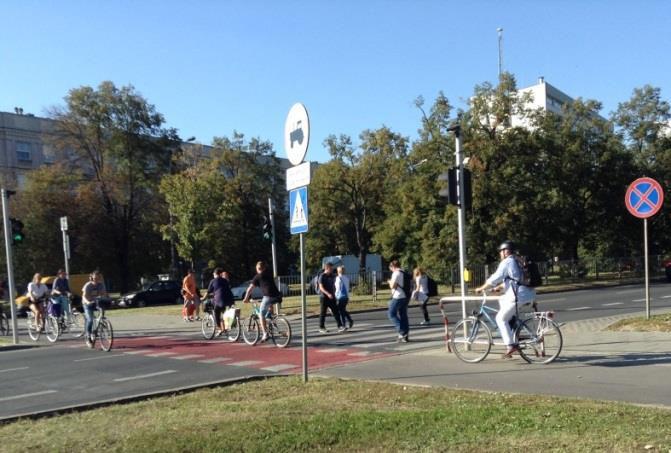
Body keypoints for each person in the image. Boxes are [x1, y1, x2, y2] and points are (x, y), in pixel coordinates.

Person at [475, 241, 536, 358]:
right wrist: (498, 288)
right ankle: (512, 325)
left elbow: (495, 277)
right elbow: (514, 279)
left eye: (501, 251)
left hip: (519, 295)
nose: (500, 254)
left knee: (500, 318)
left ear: (506, 251)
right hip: (527, 293)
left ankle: (510, 345)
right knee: (502, 300)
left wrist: (481, 288)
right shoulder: (518, 260)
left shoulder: (507, 262)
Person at [243, 261, 282, 342]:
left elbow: (250, 289)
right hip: (278, 296)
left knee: (261, 314)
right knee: (269, 306)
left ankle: (265, 333)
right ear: (264, 268)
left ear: (257, 269)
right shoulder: (269, 273)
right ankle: (272, 321)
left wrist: (246, 298)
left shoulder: (257, 277)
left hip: (268, 296)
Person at [81, 271, 108, 348]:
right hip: (87, 304)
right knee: (90, 319)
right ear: (92, 277)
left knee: (102, 312)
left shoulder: (101, 284)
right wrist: (88, 302)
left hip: (96, 302)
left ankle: (99, 325)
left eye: (98, 277)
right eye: (95, 278)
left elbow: (104, 294)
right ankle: (88, 336)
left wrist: (106, 298)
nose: (96, 279)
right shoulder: (88, 285)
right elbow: (84, 296)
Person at [317, 262, 344, 334]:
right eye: (331, 268)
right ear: (327, 268)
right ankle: (321, 327)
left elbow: (336, 284)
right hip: (324, 297)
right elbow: (321, 287)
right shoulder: (322, 276)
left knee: (336, 312)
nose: (332, 270)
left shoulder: (332, 276)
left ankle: (340, 326)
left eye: (332, 268)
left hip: (331, 297)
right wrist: (328, 293)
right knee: (323, 313)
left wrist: (334, 293)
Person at [206, 268, 234, 336]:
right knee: (224, 312)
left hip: (220, 300)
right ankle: (225, 327)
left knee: (216, 313)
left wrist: (202, 298)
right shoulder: (225, 280)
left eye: (213, 274)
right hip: (229, 299)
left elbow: (208, 291)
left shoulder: (213, 281)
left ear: (215, 274)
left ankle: (219, 329)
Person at [387, 260, 410, 342]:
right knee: (403, 315)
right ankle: (405, 334)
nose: (390, 270)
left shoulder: (395, 273)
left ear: (393, 266)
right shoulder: (404, 272)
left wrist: (389, 282)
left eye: (390, 268)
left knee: (391, 314)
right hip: (405, 296)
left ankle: (402, 331)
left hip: (398, 296)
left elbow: (393, 286)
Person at [335, 265, 353, 330]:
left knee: (341, 311)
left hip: (340, 296)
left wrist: (335, 296)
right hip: (346, 296)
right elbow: (347, 288)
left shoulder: (338, 278)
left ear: (338, 271)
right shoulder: (347, 278)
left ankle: (343, 325)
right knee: (343, 310)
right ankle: (349, 320)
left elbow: (338, 288)